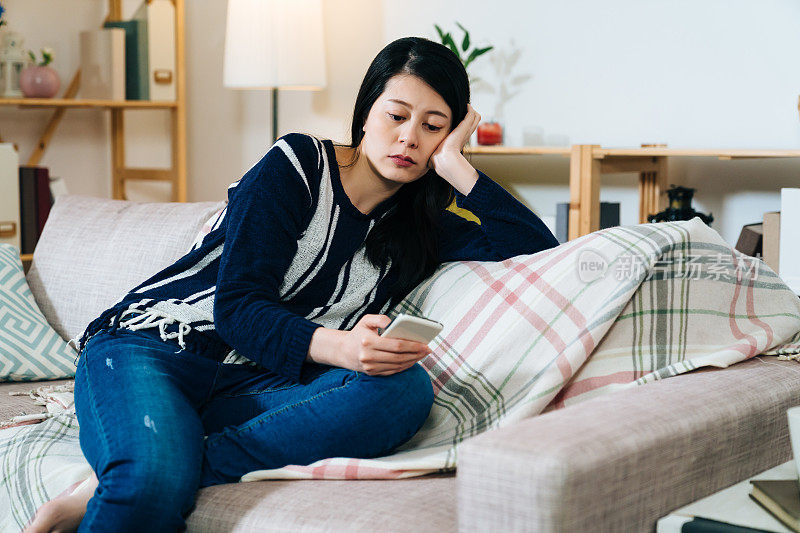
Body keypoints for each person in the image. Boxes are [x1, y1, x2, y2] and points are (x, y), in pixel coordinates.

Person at [25, 36, 558, 532]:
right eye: (397, 116)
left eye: (432, 126)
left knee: (402, 390)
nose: (408, 138)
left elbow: (536, 247)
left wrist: (455, 165)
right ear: (367, 112)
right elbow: (236, 309)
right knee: (148, 487)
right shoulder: (298, 166)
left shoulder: (422, 228)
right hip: (157, 350)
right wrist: (345, 347)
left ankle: (162, 457)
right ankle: (150, 465)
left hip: (256, 384)